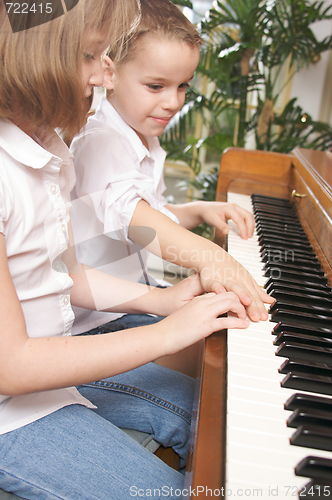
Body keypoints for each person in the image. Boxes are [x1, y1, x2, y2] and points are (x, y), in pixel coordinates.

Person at [0, 1, 251, 498]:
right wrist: (166, 335)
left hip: (53, 374)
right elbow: (12, 365)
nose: (106, 76)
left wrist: (161, 303)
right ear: (35, 58)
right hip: (12, 405)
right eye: (93, 55)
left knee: (221, 417)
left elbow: (66, 274)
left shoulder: (50, 149)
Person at [70, 0, 273, 339]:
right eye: (156, 86)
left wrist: (197, 210)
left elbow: (150, 213)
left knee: (222, 333)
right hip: (93, 323)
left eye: (182, 86)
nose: (173, 102)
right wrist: (209, 256)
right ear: (111, 73)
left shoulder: (142, 138)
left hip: (131, 297)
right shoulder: (100, 139)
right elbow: (134, 219)